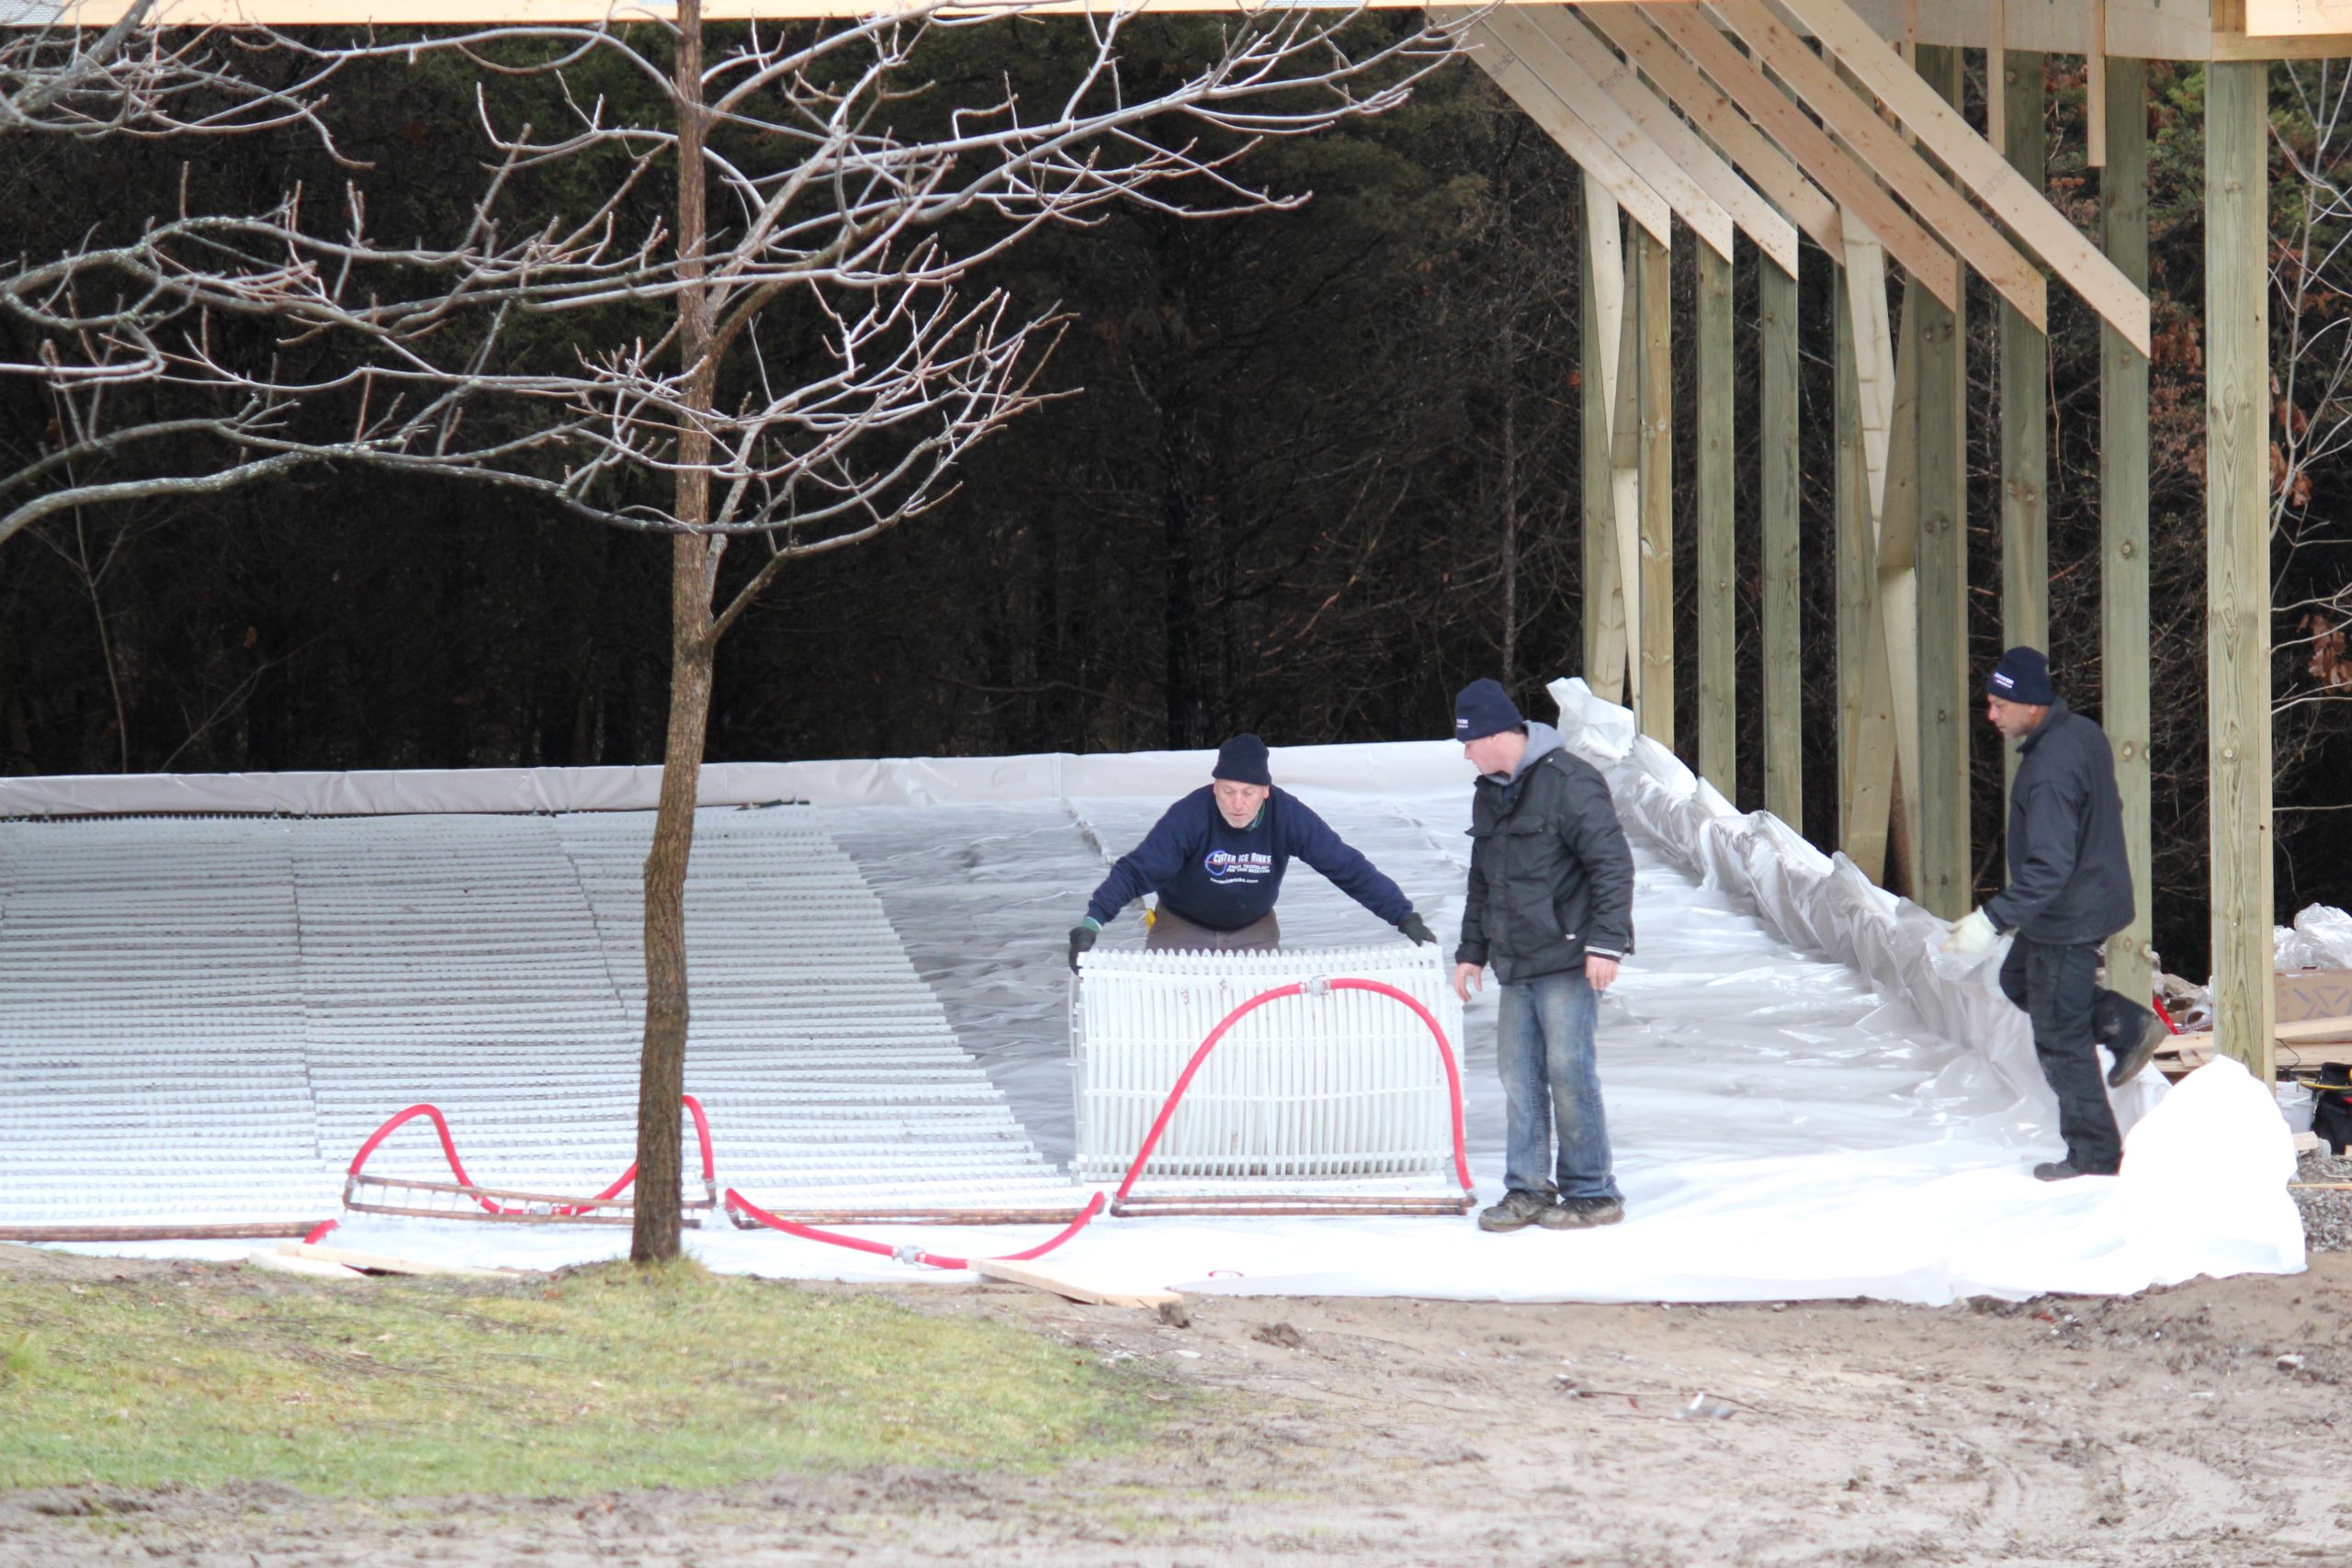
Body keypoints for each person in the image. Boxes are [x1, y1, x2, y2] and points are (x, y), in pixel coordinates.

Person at [1940, 646, 2168, 1180]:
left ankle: (2094, 1157)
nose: (1992, 716)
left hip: (2069, 911)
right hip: (2090, 894)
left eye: (2000, 705)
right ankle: (2126, 1023)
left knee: (2060, 1036)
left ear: (2032, 704)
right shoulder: (2080, 732)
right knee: (2017, 980)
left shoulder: (2047, 773)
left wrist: (1990, 920)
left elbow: (2048, 867)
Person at [1447, 679, 1635, 1234]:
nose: (1465, 755)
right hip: (1516, 959)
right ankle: (1528, 1188)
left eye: (1468, 743)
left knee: (1569, 1072)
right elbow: (1483, 880)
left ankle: (1592, 1192)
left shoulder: (1570, 782)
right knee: (1519, 1077)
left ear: (1494, 736)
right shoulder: (1490, 791)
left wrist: (1606, 943)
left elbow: (1611, 865)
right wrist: (1472, 952)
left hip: (1568, 957)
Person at [1067, 733, 1436, 967]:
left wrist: (1403, 916)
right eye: (1228, 791)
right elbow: (1137, 871)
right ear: (1215, 788)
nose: (1237, 803)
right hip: (1182, 926)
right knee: (1174, 1018)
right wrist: (1091, 923)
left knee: (1256, 1025)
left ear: (1266, 791)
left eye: (1248, 793)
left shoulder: (1286, 816)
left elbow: (1345, 865)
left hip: (1253, 929)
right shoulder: (1190, 816)